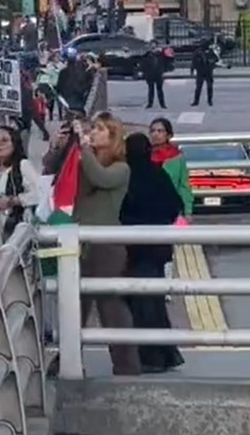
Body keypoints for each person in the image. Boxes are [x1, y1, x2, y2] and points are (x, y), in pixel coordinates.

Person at [72, 113, 141, 375]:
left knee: (110, 307)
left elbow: (100, 177)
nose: (93, 133)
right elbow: (55, 171)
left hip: (106, 245)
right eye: (93, 128)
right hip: (79, 241)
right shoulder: (86, 159)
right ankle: (70, 361)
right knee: (74, 305)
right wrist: (62, 146)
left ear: (113, 136)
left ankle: (126, 365)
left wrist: (84, 148)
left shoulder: (121, 168)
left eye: (100, 129)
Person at [120, 133, 185, 374]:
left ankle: (152, 356)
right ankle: (165, 355)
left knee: (142, 303)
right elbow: (175, 205)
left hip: (134, 249)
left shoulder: (128, 178)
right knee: (154, 301)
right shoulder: (158, 174)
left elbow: (122, 211)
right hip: (157, 247)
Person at [0, 125, 40, 267]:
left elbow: (40, 193)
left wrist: (14, 200)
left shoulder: (22, 166)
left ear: (14, 144)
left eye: (5, 140)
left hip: (15, 237)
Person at [149, 118, 193, 219]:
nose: (155, 134)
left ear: (168, 135)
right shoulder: (144, 155)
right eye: (152, 131)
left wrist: (187, 211)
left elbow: (184, 186)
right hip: (149, 208)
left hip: (172, 208)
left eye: (160, 131)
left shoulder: (177, 157)